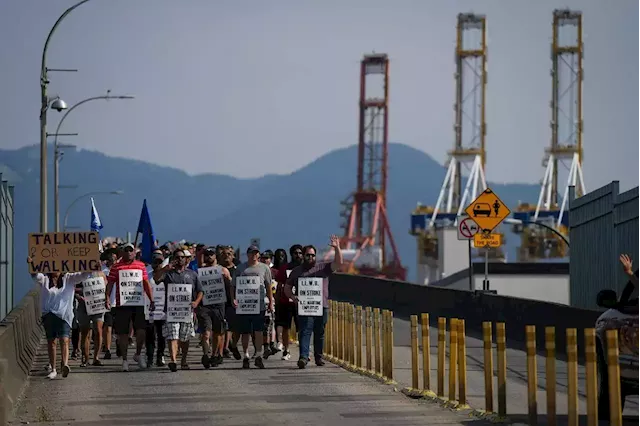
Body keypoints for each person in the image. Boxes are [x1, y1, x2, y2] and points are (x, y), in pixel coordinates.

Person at [28, 257, 93, 379]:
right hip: (49, 314)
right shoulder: (45, 279)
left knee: (65, 340)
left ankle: (65, 364)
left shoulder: (69, 278)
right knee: (52, 341)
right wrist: (32, 264)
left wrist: (91, 264)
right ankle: (53, 368)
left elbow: (83, 276)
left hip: (64, 315)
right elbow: (35, 276)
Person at [285, 235, 343, 369]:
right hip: (304, 307)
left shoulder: (323, 268)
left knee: (320, 332)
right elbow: (287, 287)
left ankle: (318, 357)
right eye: (307, 255)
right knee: (305, 331)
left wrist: (337, 248)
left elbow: (338, 263)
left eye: (312, 255)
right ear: (303, 256)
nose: (310, 258)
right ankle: (303, 357)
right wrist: (293, 298)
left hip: (321, 306)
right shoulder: (296, 271)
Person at [105, 243, 155, 371]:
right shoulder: (116, 267)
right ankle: (125, 360)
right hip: (122, 304)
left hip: (137, 303)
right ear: (122, 253)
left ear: (134, 252)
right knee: (123, 334)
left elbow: (145, 283)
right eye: (125, 250)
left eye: (130, 250)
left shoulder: (141, 265)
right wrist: (107, 298)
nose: (128, 253)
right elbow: (110, 283)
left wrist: (152, 299)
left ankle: (138, 354)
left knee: (141, 331)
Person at [155, 248, 203, 372]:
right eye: (177, 257)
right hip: (171, 311)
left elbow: (200, 291)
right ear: (173, 259)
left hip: (187, 311)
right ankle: (173, 360)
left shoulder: (192, 274)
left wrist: (196, 302)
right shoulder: (168, 273)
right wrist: (163, 269)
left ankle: (184, 360)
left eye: (182, 257)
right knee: (172, 336)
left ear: (186, 259)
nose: (180, 259)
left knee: (184, 337)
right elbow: (156, 279)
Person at [231, 245, 273, 369]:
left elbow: (268, 286)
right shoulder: (240, 268)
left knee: (259, 331)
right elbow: (233, 285)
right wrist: (233, 298)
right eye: (251, 253)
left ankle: (258, 355)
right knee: (245, 332)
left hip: (259, 305)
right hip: (243, 305)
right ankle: (246, 355)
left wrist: (270, 302)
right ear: (248, 254)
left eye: (256, 253)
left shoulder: (264, 268)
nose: (254, 255)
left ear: (258, 255)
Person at [196, 246, 232, 368]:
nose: (209, 256)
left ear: (215, 256)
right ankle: (206, 354)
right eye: (207, 255)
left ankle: (215, 355)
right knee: (206, 333)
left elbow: (231, 286)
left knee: (218, 332)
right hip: (205, 305)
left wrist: (227, 279)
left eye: (211, 254)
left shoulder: (222, 270)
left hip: (219, 304)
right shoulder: (201, 271)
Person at [275, 244, 303, 360]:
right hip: (286, 302)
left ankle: (303, 352)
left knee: (302, 328)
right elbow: (279, 285)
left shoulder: (305, 268)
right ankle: (286, 351)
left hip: (301, 303)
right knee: (286, 328)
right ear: (291, 254)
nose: (298, 255)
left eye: (300, 253)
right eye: (296, 253)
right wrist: (276, 301)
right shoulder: (284, 268)